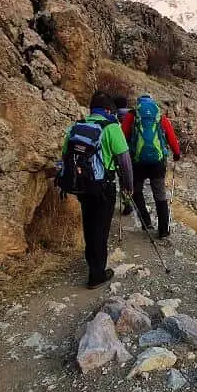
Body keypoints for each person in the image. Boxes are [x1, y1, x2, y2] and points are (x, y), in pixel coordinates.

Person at [57, 91, 133, 288]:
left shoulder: (77, 127)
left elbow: (65, 154)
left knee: (89, 225)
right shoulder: (111, 127)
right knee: (101, 228)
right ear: (108, 110)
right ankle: (96, 274)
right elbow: (124, 159)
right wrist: (128, 186)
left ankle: (93, 263)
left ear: (92, 110)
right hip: (103, 186)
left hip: (81, 185)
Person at [129, 94, 181, 238]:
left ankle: (146, 222)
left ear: (138, 104)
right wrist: (176, 154)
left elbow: (124, 135)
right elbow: (171, 136)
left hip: (138, 162)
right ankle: (163, 230)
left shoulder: (132, 116)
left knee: (136, 190)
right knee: (159, 194)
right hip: (157, 163)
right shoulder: (159, 117)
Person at [114, 96, 137, 216]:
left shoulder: (115, 118)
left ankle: (128, 203)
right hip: (135, 153)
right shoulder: (134, 115)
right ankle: (136, 200)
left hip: (122, 153)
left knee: (123, 180)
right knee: (133, 177)